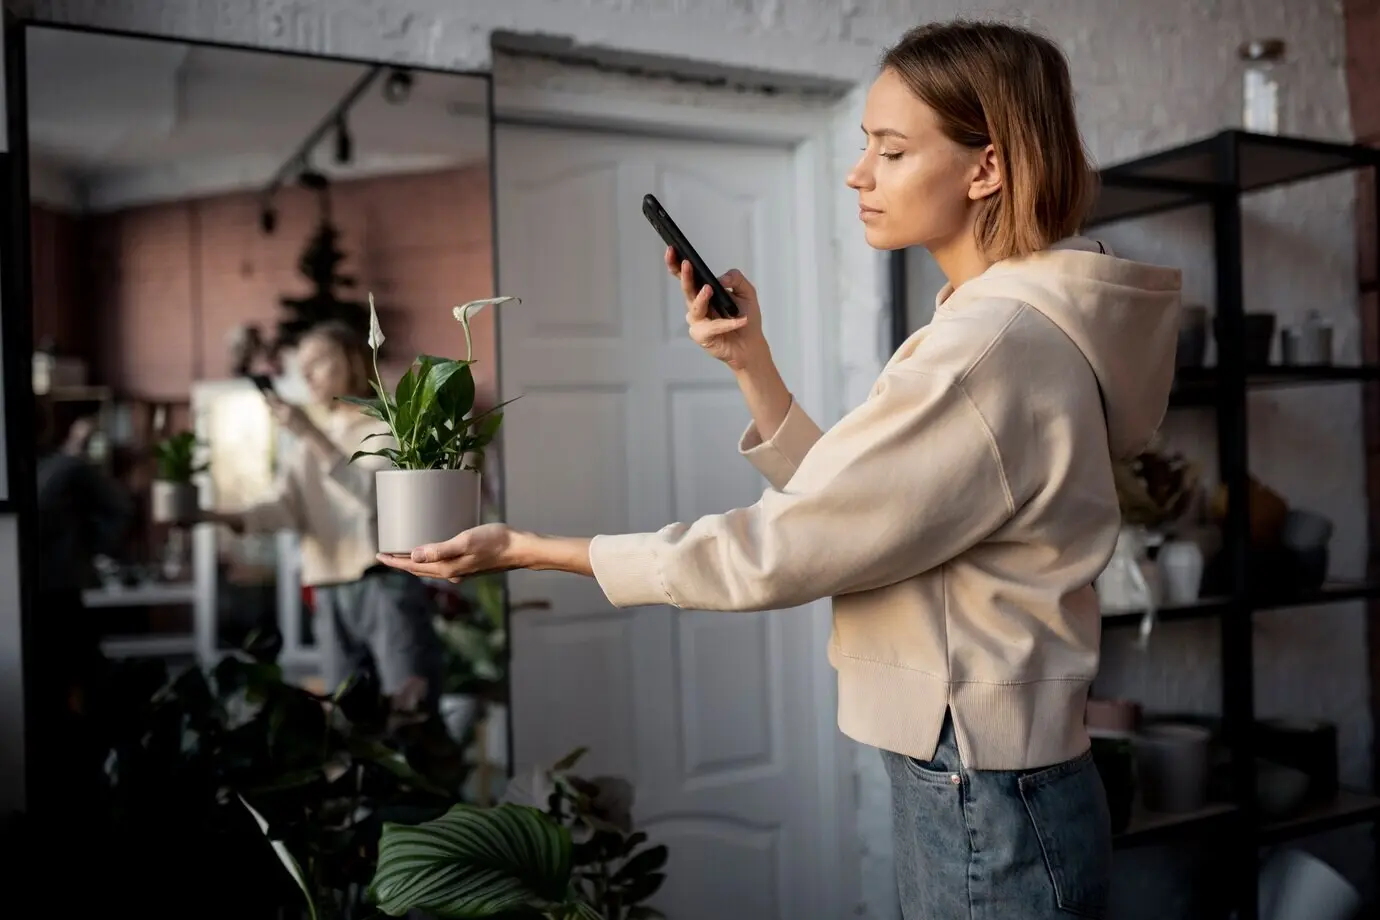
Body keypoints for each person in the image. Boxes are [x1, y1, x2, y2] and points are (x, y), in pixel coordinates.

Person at [378, 19, 1181, 920]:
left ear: (985, 167)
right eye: (863, 147)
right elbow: (871, 511)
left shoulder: (986, 347)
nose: (858, 174)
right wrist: (751, 365)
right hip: (990, 778)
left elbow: (793, 545)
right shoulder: (1008, 329)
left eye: (891, 148)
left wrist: (535, 548)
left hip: (982, 787)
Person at [209, 320, 444, 715]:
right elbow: (285, 508)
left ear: (352, 361)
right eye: (302, 365)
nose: (306, 373)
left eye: (318, 360)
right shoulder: (307, 436)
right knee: (347, 717)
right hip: (328, 589)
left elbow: (377, 498)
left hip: (384, 583)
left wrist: (310, 436)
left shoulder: (388, 425)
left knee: (410, 715)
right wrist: (211, 515)